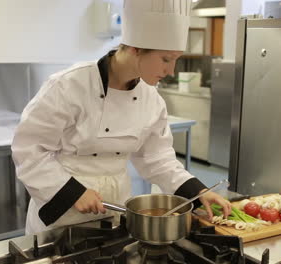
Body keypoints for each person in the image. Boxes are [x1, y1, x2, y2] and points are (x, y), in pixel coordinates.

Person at [12, 0, 231, 235]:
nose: (171, 71)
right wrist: (72, 192)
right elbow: (29, 149)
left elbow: (157, 159)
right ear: (135, 48)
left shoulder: (151, 99)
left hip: (114, 211)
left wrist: (198, 192)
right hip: (62, 213)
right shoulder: (69, 86)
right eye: (166, 59)